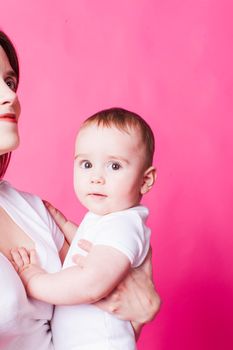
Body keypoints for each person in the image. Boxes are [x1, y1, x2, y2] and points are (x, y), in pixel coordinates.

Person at [0, 30, 160, 350]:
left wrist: (143, 310)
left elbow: (95, 300)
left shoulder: (31, 210)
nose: (10, 96)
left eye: (11, 81)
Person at [11, 107, 157, 350]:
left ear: (145, 180)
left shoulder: (123, 224)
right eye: (87, 164)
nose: (96, 177)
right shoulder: (108, 219)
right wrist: (70, 228)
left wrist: (33, 279)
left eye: (114, 166)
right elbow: (96, 251)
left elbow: (91, 282)